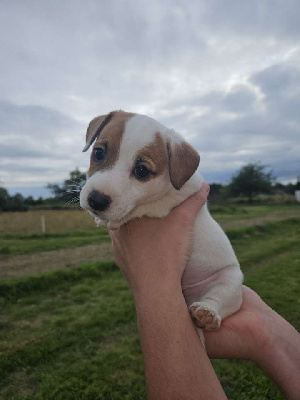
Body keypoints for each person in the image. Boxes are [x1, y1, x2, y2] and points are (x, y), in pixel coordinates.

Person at [109, 183, 300, 400]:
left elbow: (163, 208)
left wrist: (153, 283)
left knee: (230, 280)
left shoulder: (186, 180)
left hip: (219, 274)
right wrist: (265, 330)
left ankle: (212, 306)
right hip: (184, 286)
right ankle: (204, 309)